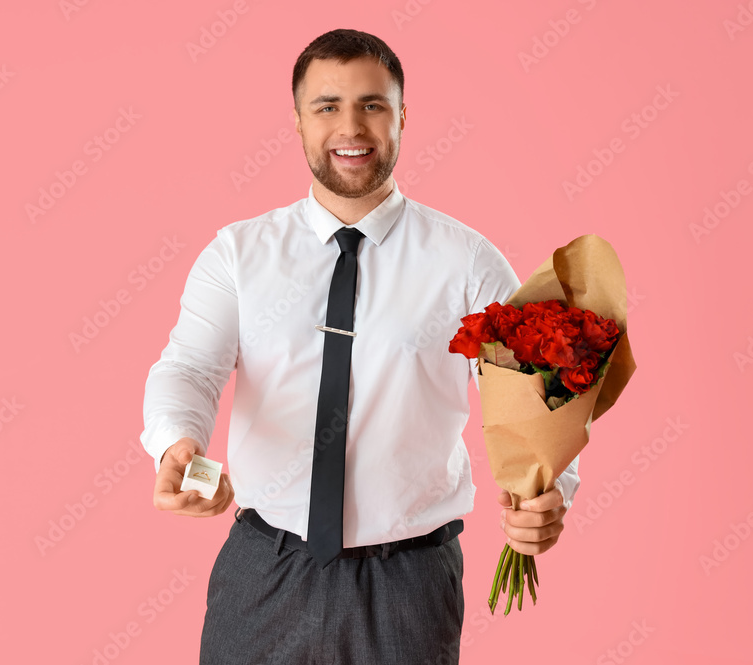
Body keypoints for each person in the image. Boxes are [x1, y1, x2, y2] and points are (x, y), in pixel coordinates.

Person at [139, 28, 580, 665]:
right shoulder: (238, 254)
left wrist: (551, 491)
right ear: (297, 121)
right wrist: (177, 443)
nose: (351, 127)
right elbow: (189, 367)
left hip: (407, 585)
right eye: (327, 106)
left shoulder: (467, 263)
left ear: (402, 116)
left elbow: (538, 401)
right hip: (264, 570)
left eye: (373, 104)